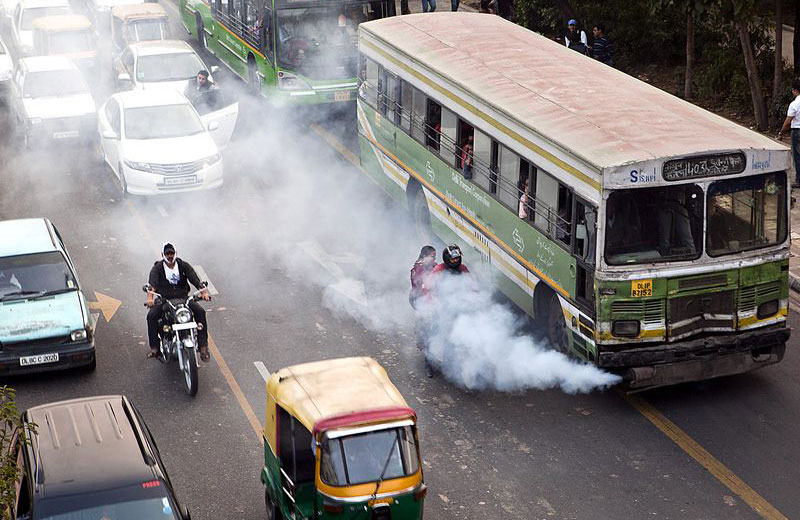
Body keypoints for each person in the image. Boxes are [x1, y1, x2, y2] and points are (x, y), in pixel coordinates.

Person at [146, 243, 211, 362]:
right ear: (163, 255)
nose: (170, 256)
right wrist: (150, 299)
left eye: (172, 253)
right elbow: (152, 286)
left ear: (176, 254)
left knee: (200, 312)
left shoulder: (183, 265)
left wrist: (204, 292)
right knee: (151, 316)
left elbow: (196, 280)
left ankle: (203, 347)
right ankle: (155, 348)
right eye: (167, 254)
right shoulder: (157, 268)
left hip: (184, 299)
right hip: (165, 300)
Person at [778, 79, 800, 187]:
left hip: (797, 132)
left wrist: (781, 132)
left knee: (797, 156)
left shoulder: (794, 104)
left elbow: (788, 121)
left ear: (795, 91)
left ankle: (799, 180)